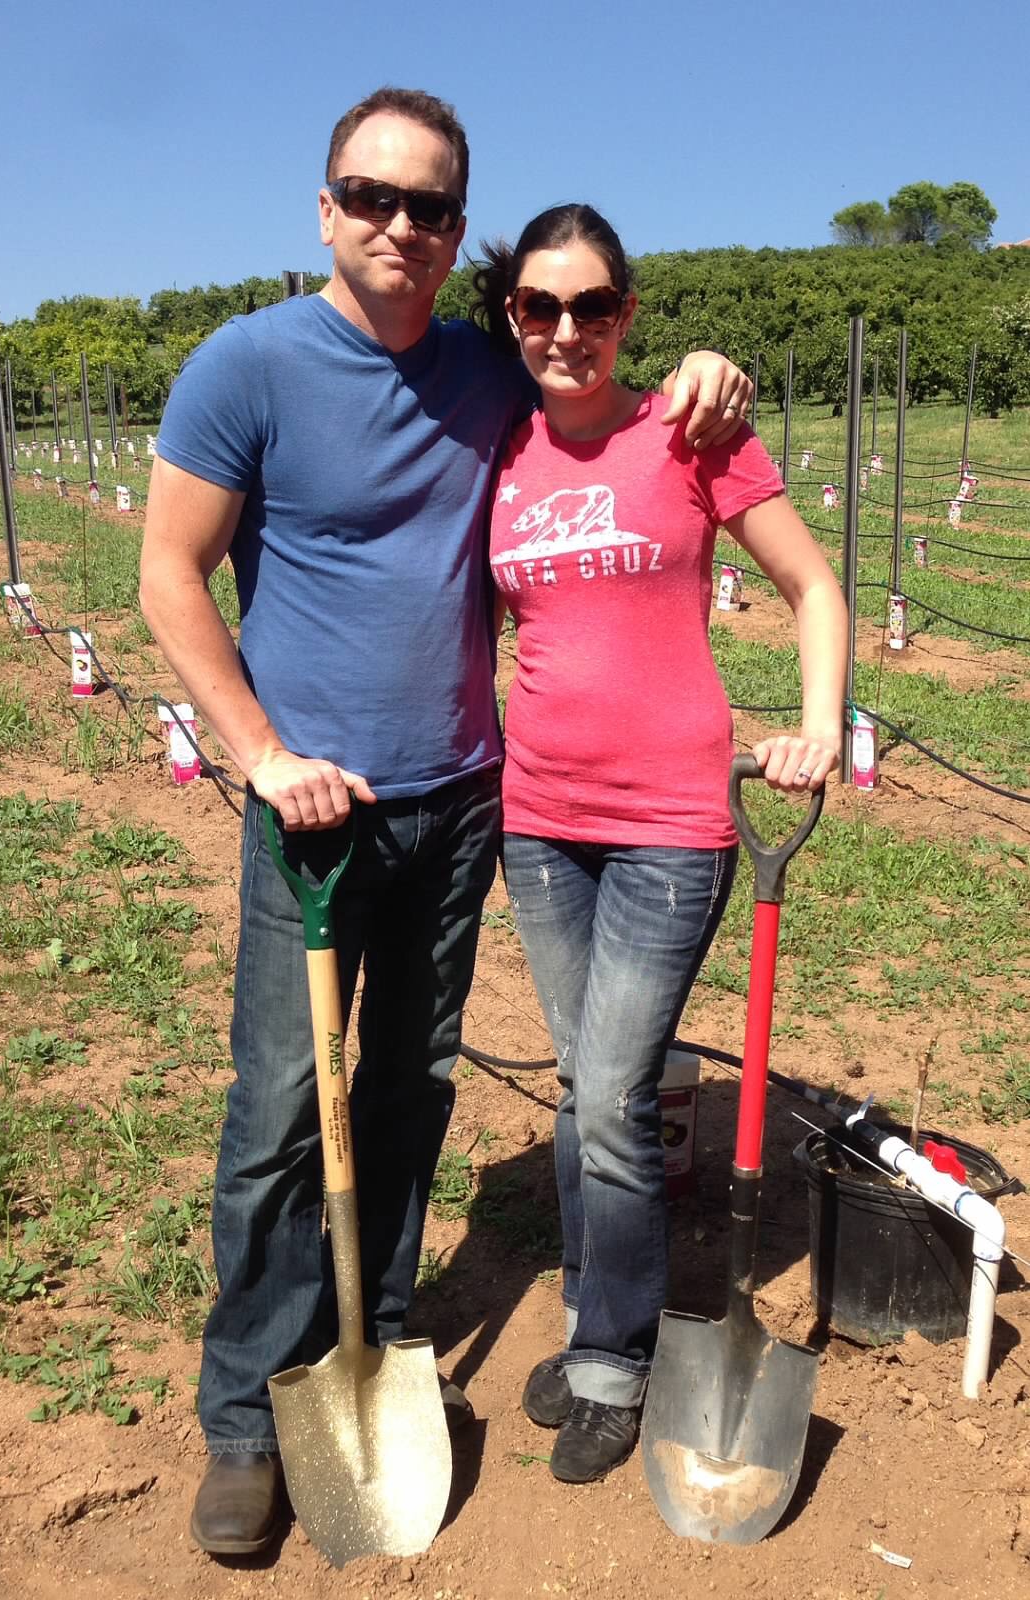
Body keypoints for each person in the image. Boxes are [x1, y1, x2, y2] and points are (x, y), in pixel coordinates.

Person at [139, 88, 754, 1557]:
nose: (397, 227)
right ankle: (244, 1413)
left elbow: (602, 388)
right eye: (370, 197)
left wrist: (707, 371)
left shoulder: (493, 367)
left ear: (456, 231)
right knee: (285, 1106)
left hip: (468, 799)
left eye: (426, 207)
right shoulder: (246, 368)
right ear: (324, 210)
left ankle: (382, 1331)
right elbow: (170, 575)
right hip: (315, 816)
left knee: (410, 1088)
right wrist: (266, 753)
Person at [474, 205, 847, 1484]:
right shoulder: (495, 448)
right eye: (538, 306)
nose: (564, 329)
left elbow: (813, 585)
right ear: (511, 318)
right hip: (539, 820)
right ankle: (598, 1316)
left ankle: (612, 1359)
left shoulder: (691, 427)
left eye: (590, 305)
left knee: (617, 1099)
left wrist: (813, 727)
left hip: (671, 824)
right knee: (585, 1091)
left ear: (627, 313)